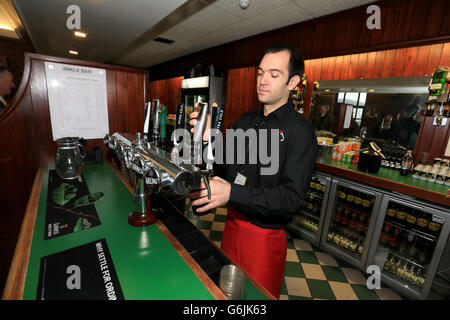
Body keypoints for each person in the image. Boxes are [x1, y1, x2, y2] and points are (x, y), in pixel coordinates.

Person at [188, 43, 317, 299]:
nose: (263, 81)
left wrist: (232, 193)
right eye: (260, 73)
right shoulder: (245, 121)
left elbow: (290, 199)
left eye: (274, 74)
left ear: (292, 83)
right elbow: (225, 167)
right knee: (225, 294)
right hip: (232, 226)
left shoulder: (300, 132)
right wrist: (207, 140)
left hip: (264, 239)